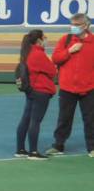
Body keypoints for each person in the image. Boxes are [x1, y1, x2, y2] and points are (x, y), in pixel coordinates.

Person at [45, 13, 94, 157]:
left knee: (91, 119)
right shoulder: (65, 40)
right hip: (67, 88)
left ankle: (92, 147)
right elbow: (55, 58)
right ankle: (58, 145)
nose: (73, 27)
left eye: (77, 25)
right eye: (72, 24)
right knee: (64, 118)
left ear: (85, 26)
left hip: (89, 88)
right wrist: (69, 51)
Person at [15, 30, 57, 160]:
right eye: (44, 36)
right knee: (35, 121)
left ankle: (20, 149)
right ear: (39, 40)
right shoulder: (38, 54)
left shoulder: (27, 52)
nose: (46, 38)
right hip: (41, 90)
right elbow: (52, 71)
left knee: (26, 119)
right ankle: (33, 152)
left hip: (31, 90)